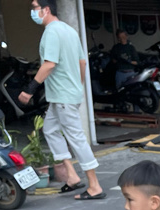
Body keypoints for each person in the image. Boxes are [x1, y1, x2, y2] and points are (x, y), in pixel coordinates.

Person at [21, 0, 104, 199]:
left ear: (46, 9)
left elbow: (49, 64)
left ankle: (95, 186)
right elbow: (82, 62)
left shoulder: (51, 32)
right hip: (64, 94)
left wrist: (30, 89)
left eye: (34, 8)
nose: (32, 12)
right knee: (50, 130)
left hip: (63, 95)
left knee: (76, 137)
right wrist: (77, 85)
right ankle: (72, 176)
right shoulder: (69, 30)